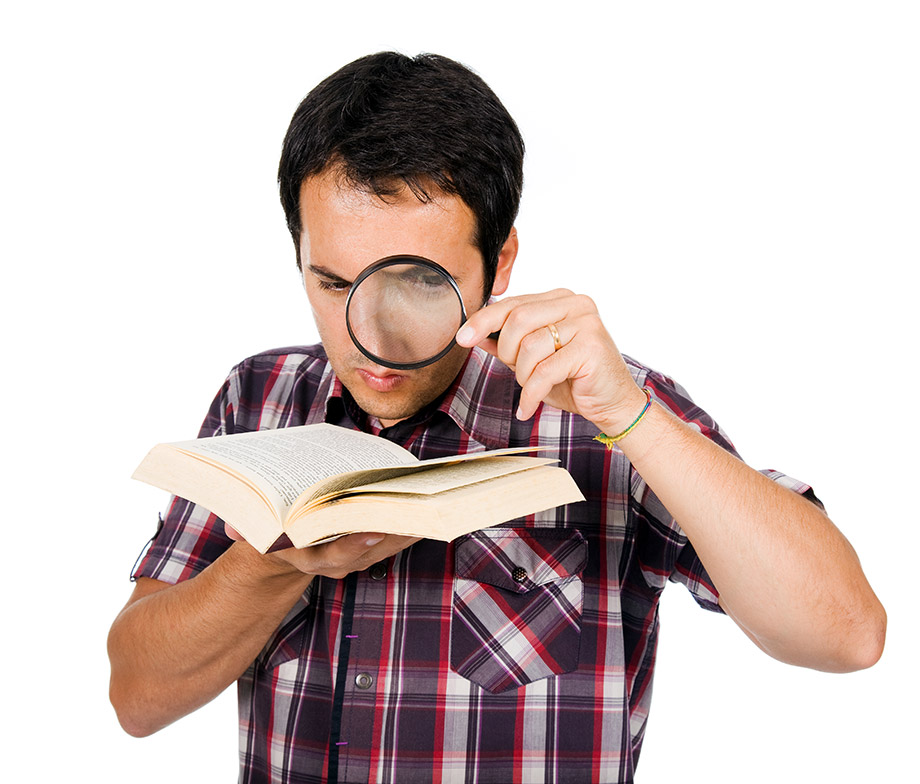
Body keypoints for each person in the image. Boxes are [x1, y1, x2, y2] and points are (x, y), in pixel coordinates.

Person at [108, 52, 886, 783]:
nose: (365, 336)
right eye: (331, 281)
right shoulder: (261, 396)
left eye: (415, 284)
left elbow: (845, 633)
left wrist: (632, 417)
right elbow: (137, 697)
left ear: (500, 261)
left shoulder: (605, 413)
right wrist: (273, 563)